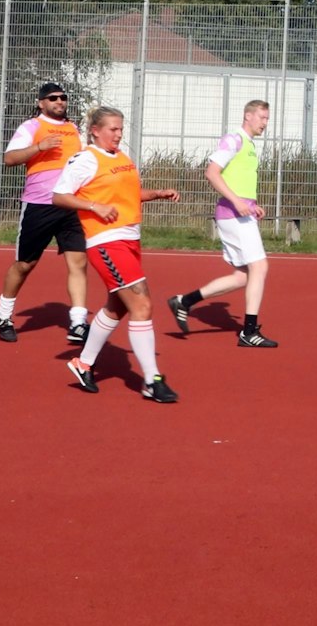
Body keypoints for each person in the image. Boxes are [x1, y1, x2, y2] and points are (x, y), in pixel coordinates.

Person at [50, 106, 183, 403]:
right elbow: (59, 196)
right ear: (95, 130)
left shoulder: (122, 158)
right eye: (113, 129)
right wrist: (93, 207)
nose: (118, 134)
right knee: (142, 306)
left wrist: (156, 194)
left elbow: (126, 194)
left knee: (118, 307)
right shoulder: (85, 159)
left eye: (121, 129)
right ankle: (152, 381)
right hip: (106, 242)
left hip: (130, 240)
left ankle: (83, 363)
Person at [166, 99, 279, 348]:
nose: (265, 123)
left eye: (267, 118)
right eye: (262, 117)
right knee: (260, 267)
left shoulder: (248, 144)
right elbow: (212, 172)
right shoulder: (234, 139)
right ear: (247, 116)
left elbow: (238, 182)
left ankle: (184, 302)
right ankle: (249, 332)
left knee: (242, 277)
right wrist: (238, 202)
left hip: (240, 212)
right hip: (232, 214)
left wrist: (250, 204)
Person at [0, 81, 90, 345]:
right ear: (41, 103)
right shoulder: (32, 127)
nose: (59, 102)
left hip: (70, 205)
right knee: (25, 265)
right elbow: (10, 159)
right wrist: (39, 147)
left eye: (63, 98)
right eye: (53, 98)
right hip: (40, 204)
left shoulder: (73, 129)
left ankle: (79, 321)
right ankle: (4, 316)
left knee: (78, 262)